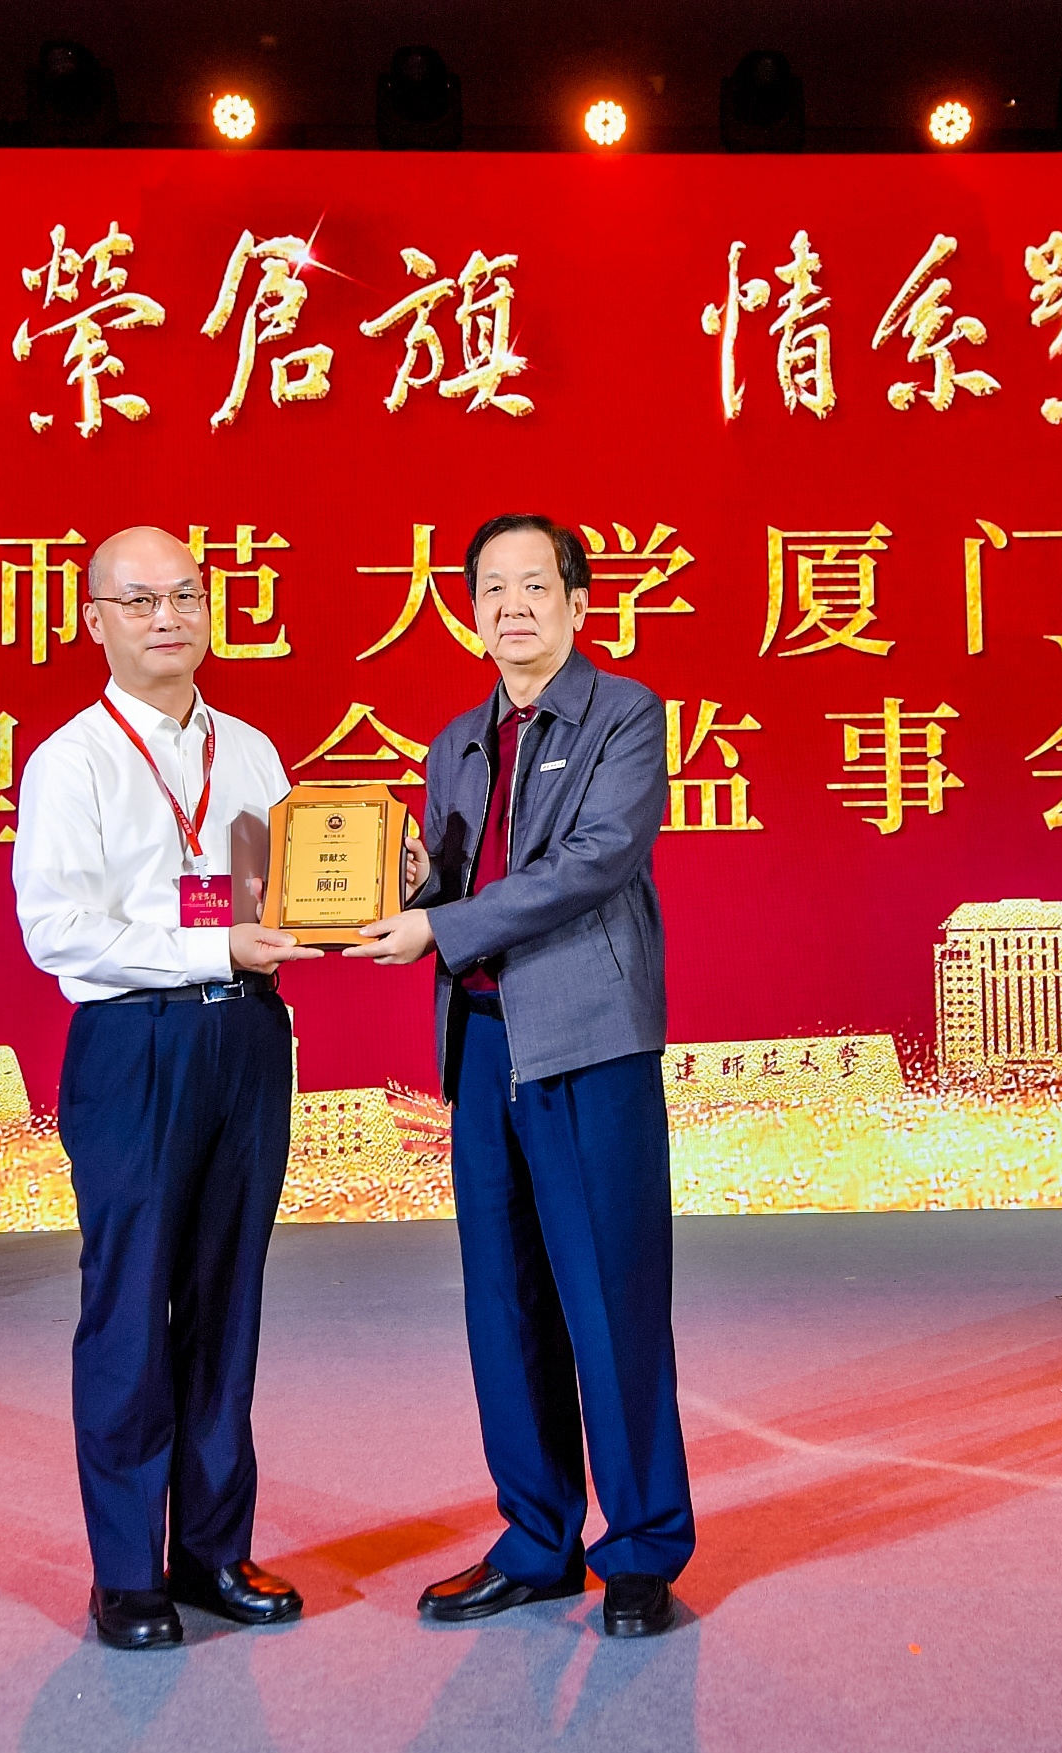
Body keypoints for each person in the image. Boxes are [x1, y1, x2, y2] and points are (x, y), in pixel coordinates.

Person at [353, 513, 695, 1638]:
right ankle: (537, 1538)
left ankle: (640, 1544)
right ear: (470, 611)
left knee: (610, 1294)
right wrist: (409, 882)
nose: (511, 606)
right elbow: (453, 882)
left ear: (577, 603)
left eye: (533, 585)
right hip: (484, 1040)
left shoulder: (624, 713)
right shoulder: (456, 740)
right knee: (504, 1301)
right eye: (490, 588)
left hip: (587, 1041)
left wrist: (439, 924)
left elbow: (593, 861)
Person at [12, 525, 319, 1650]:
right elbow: (58, 930)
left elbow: (286, 883)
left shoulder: (251, 749)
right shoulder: (72, 761)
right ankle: (126, 1570)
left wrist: (371, 888)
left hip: (246, 1035)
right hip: (133, 1042)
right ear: (94, 618)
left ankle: (212, 1550)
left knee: (227, 1300)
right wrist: (210, 945)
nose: (168, 617)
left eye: (187, 594)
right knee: (132, 1306)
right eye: (139, 600)